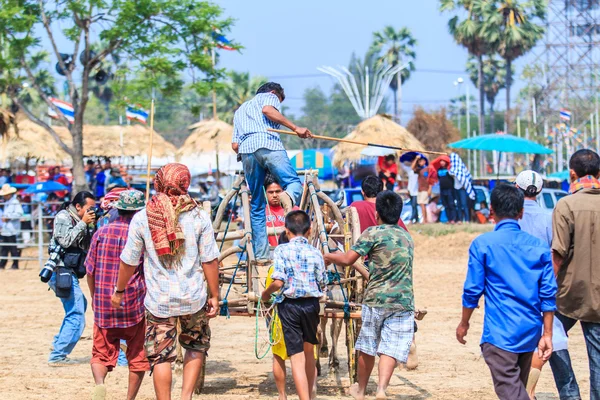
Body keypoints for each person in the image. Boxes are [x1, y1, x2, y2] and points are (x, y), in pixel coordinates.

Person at [111, 163, 220, 400]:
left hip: (159, 301)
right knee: (195, 346)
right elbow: (210, 260)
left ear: (159, 183)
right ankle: (186, 397)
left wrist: (119, 290)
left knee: (161, 356)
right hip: (194, 297)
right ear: (185, 183)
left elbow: (129, 261)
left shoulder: (143, 218)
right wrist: (215, 295)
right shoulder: (199, 216)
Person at [456, 184, 557, 400]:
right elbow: (548, 293)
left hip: (500, 334)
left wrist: (464, 323)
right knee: (516, 388)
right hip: (530, 332)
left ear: (491, 211)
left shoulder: (482, 244)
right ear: (521, 212)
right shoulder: (539, 247)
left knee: (511, 392)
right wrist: (547, 333)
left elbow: (472, 290)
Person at [325, 190, 414, 400]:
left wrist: (329, 255)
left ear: (377, 213)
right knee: (390, 348)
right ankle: (381, 389)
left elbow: (348, 259)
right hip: (403, 300)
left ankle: (361, 390)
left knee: (367, 346)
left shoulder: (372, 233)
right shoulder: (406, 237)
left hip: (376, 299)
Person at [232, 82, 312, 263]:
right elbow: (268, 110)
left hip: (247, 152)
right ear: (274, 93)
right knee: (293, 182)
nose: (278, 104)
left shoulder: (240, 111)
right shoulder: (267, 97)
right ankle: (289, 197)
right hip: (268, 144)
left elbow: (234, 145)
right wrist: (295, 128)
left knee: (257, 206)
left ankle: (261, 256)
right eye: (279, 101)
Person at [86, 190, 149, 400]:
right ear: (139, 212)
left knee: (100, 353)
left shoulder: (100, 233)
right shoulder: (140, 234)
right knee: (138, 356)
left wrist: (95, 297)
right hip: (134, 305)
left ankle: (100, 384)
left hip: (104, 303)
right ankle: (129, 398)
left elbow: (90, 270)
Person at [514, 170, 570, 399]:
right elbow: (557, 251)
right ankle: (529, 387)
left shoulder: (511, 217)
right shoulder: (549, 217)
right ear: (540, 191)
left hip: (514, 283)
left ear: (517, 189)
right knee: (547, 335)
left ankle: (523, 386)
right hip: (542, 281)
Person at [261, 210, 327, 400]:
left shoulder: (281, 250)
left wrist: (265, 294)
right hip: (311, 306)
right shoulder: (316, 252)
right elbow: (322, 282)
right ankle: (310, 393)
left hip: (289, 307)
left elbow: (279, 282)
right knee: (309, 352)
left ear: (286, 231)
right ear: (309, 230)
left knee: (296, 359)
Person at [551, 149, 600, 400]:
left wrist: (545, 293)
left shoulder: (566, 205)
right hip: (599, 299)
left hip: (567, 295)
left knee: (550, 336)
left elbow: (557, 256)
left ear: (572, 174)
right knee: (598, 358)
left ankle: (570, 394)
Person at [48, 191, 96, 365]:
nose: (92, 211)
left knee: (79, 305)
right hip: (60, 271)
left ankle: (57, 345)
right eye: (89, 208)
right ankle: (58, 355)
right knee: (76, 314)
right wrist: (83, 223)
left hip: (69, 272)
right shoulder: (63, 217)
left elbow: (84, 245)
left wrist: (90, 225)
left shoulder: (79, 220)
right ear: (78, 207)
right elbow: (66, 241)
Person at [0, 184, 23, 269]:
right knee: (5, 247)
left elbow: (19, 213)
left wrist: (8, 217)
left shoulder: (15, 202)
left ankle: (15, 264)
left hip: (12, 229)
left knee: (12, 247)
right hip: (6, 229)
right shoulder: (7, 203)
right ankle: (2, 264)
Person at [450, 153, 476, 223]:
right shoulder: (452, 169)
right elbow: (451, 174)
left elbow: (466, 178)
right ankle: (460, 220)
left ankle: (467, 220)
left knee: (464, 205)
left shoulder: (462, 168)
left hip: (462, 189)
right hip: (456, 188)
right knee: (458, 205)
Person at [264, 176, 287, 248]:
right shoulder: (259, 212)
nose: (274, 195)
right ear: (265, 193)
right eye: (271, 192)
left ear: (283, 191)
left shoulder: (294, 210)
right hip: (266, 253)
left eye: (277, 191)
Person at [437, 159, 457, 224]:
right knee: (446, 205)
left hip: (450, 189)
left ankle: (453, 219)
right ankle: (449, 219)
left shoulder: (450, 170)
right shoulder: (439, 170)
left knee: (451, 204)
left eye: (443, 161)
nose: (442, 162)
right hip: (442, 190)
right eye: (441, 161)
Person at [400, 158, 419, 224]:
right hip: (411, 191)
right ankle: (416, 219)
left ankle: (411, 219)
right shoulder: (410, 172)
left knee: (414, 205)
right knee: (413, 206)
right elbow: (402, 165)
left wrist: (416, 159)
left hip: (417, 192)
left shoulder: (419, 172)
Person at [413, 155, 430, 223]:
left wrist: (429, 189)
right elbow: (412, 167)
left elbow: (430, 180)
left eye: (421, 161)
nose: (420, 163)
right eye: (419, 162)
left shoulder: (427, 169)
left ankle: (425, 220)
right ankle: (424, 219)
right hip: (420, 189)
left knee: (423, 204)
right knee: (421, 204)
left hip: (425, 189)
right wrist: (416, 159)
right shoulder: (419, 169)